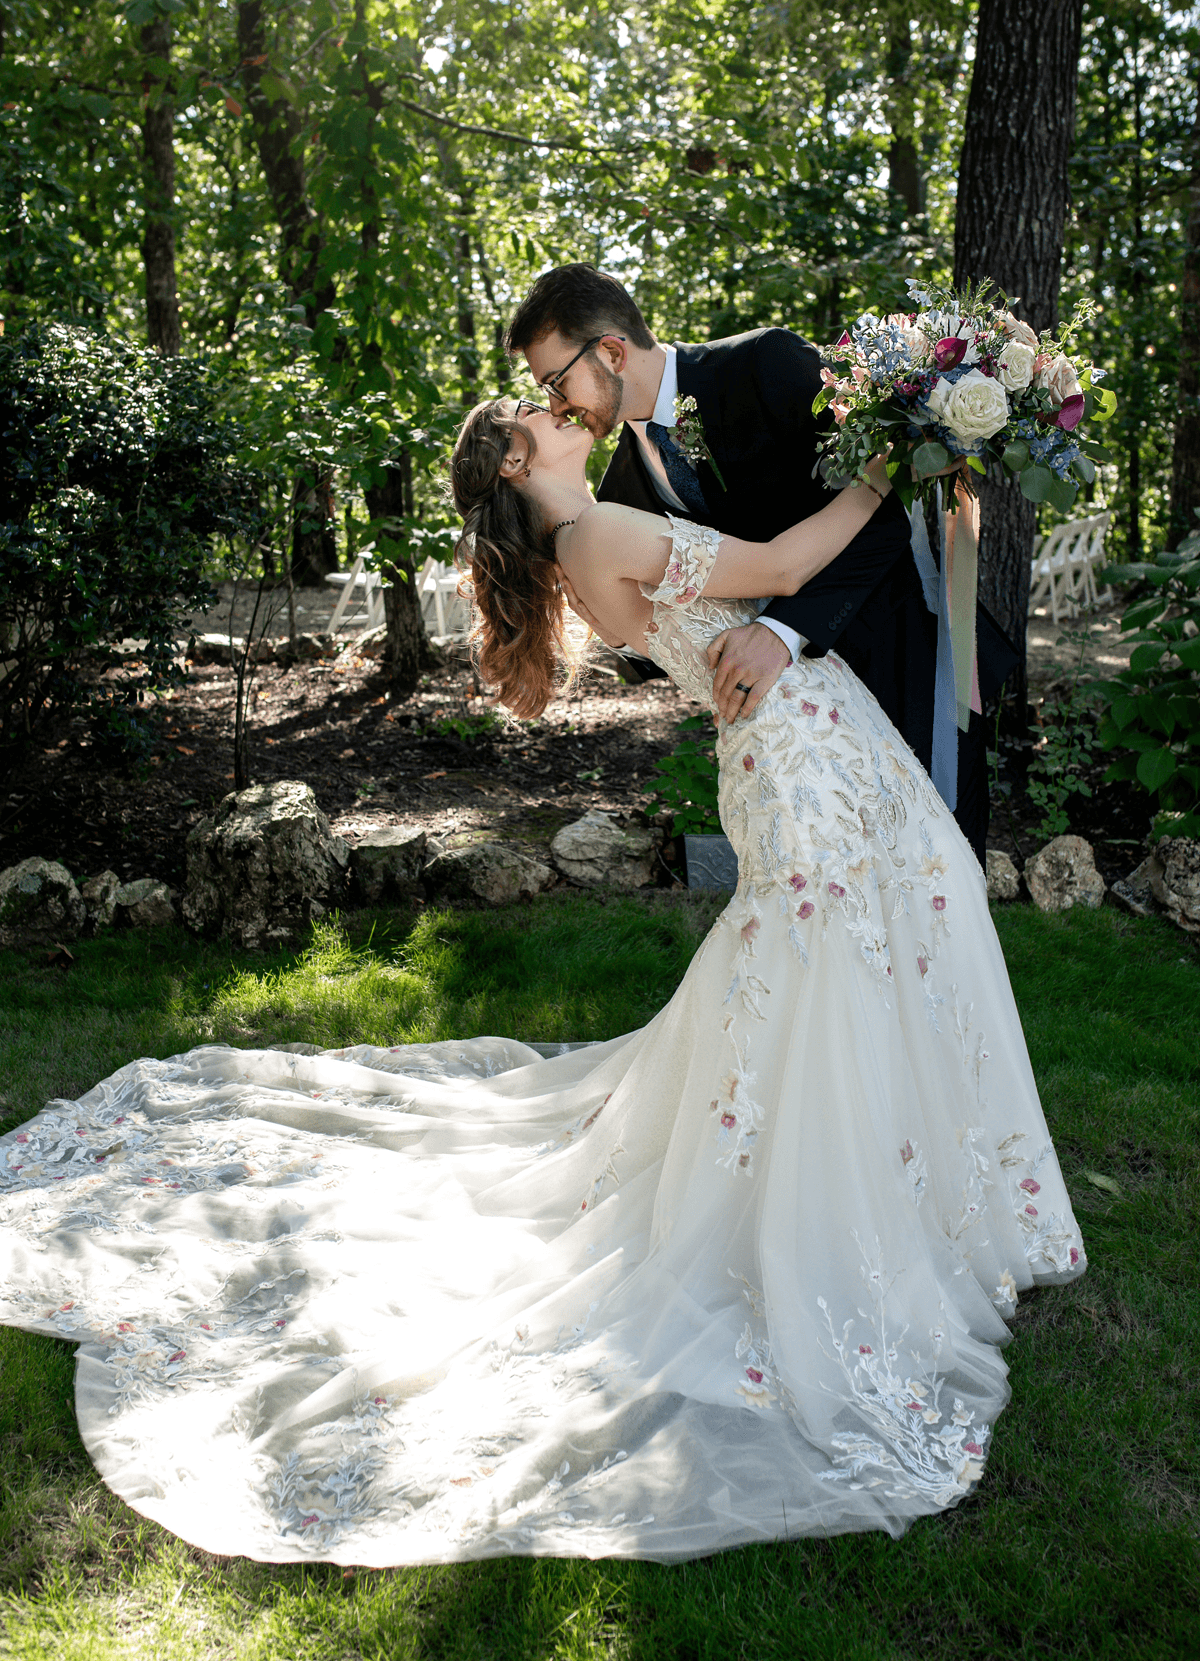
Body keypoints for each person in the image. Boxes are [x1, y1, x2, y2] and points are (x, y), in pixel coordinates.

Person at [0, 395, 1084, 1568]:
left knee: (864, 948)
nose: (560, 409)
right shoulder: (601, 534)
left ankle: (912, 1183)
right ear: (521, 458)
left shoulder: (590, 537)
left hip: (806, 737)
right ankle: (840, 1203)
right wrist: (891, 464)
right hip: (802, 750)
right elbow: (778, 564)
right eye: (535, 411)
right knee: (830, 966)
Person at [504, 263, 1018, 866]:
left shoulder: (767, 364)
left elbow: (885, 514)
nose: (557, 406)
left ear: (612, 352)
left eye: (557, 383)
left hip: (903, 662)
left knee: (942, 883)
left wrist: (780, 632)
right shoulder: (619, 492)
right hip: (799, 741)